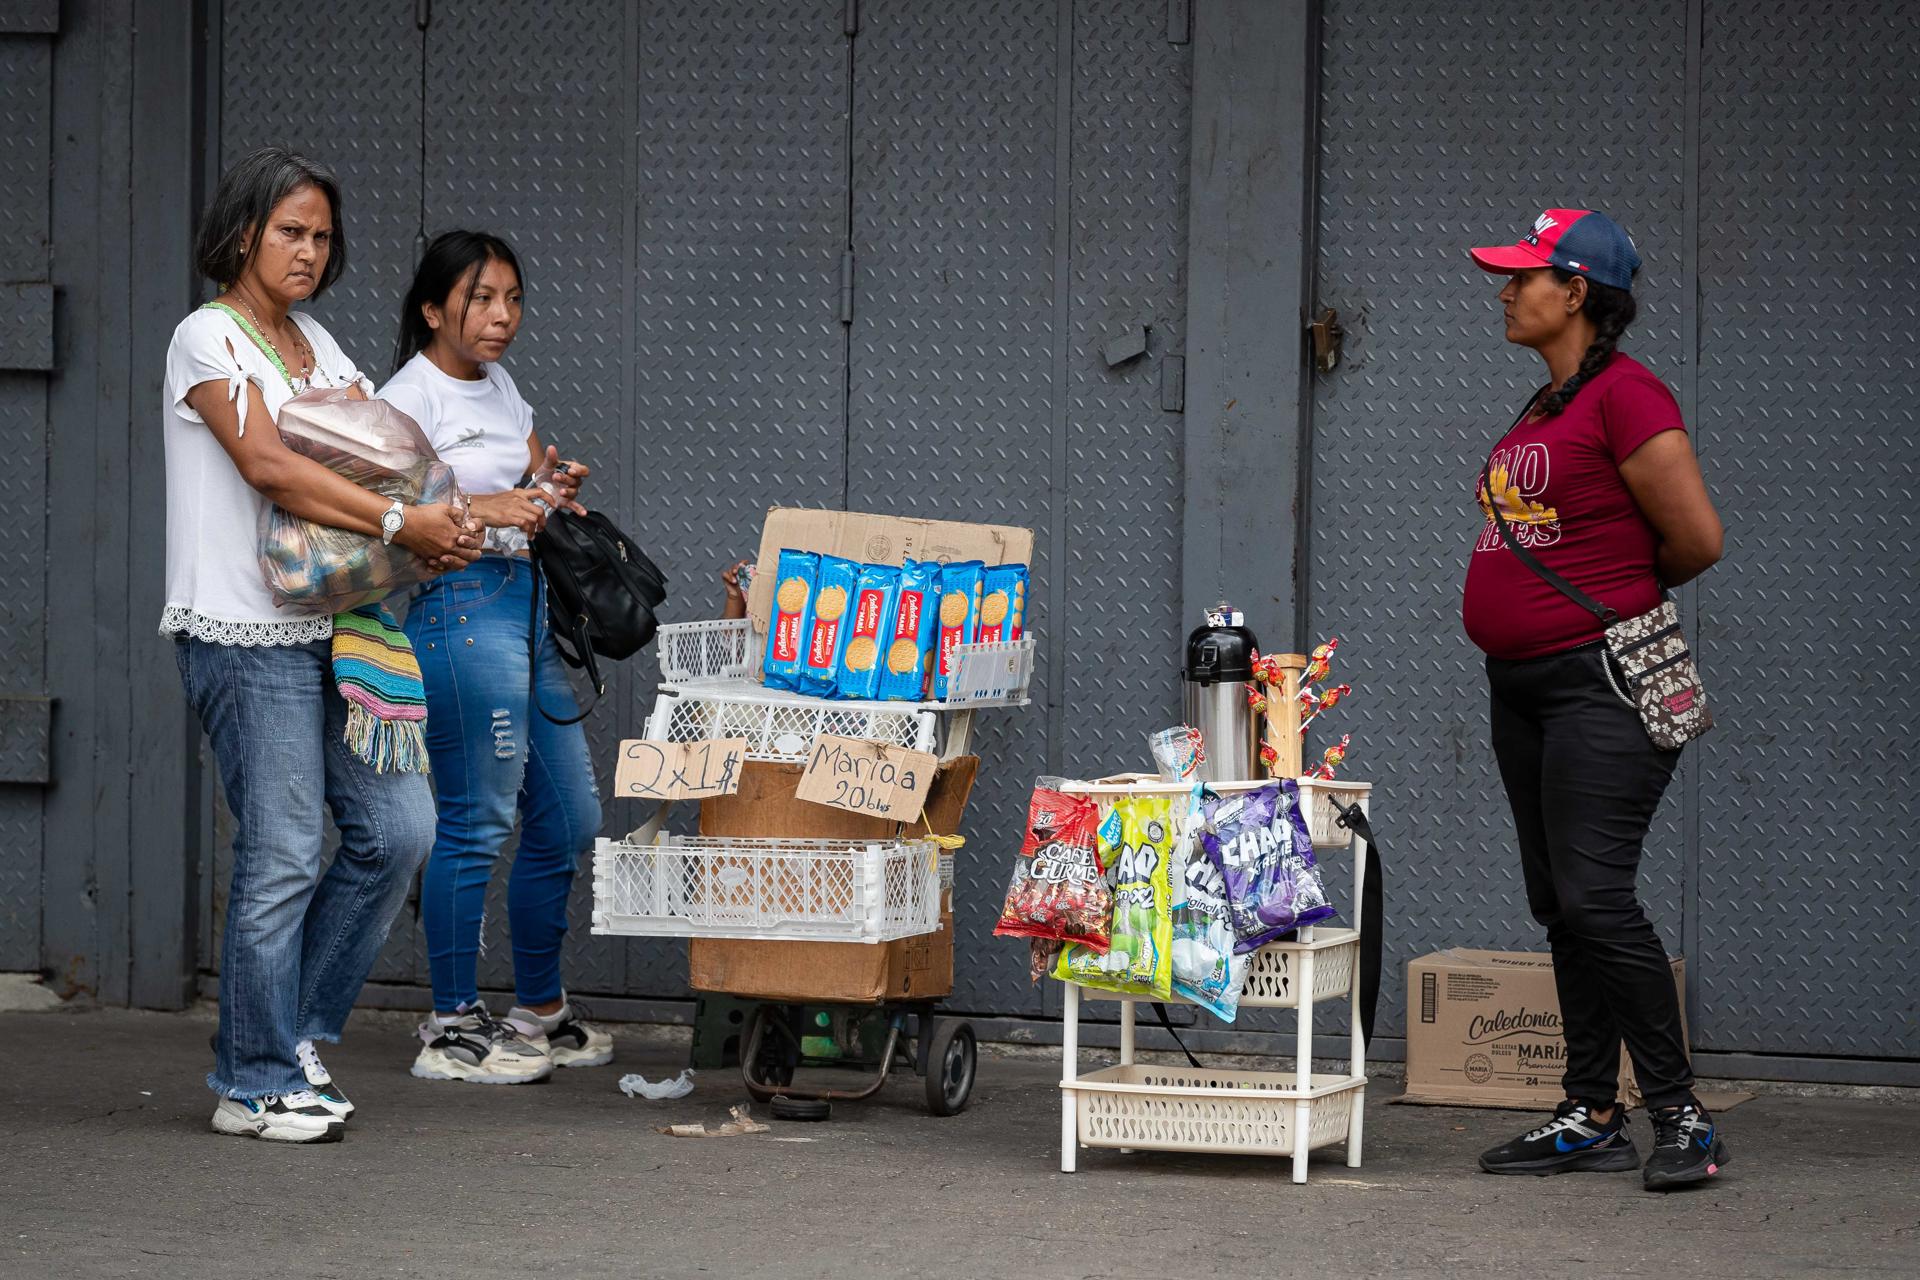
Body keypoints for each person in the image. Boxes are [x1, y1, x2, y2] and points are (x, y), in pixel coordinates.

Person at [164, 147, 481, 1143]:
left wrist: (452, 516)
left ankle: (287, 1033)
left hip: (339, 629)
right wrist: (402, 527)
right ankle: (251, 1078)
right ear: (245, 231)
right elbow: (270, 467)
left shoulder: (318, 345)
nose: (308, 250)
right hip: (246, 633)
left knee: (400, 831)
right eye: (290, 231)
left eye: (322, 236)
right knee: (286, 846)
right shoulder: (207, 338)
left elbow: (386, 460)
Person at [1461, 210, 1728, 1189]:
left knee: (1596, 896)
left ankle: (1683, 1114)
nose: (1504, 290)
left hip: (1599, 680)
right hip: (1522, 683)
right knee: (1560, 904)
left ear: (1577, 291)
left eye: (1523, 276)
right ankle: (1590, 1109)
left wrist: (1612, 591)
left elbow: (1697, 538)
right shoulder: (1544, 406)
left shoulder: (1628, 395)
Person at [378, 230, 614, 1084]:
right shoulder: (407, 397)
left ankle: (538, 1009)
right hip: (458, 609)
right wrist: (496, 502)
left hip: (524, 604)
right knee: (476, 820)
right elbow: (388, 507)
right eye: (481, 298)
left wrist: (549, 493)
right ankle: (449, 1025)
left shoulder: (501, 387)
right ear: (434, 308)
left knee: (570, 816)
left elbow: (519, 490)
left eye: (512, 298)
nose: (502, 316)